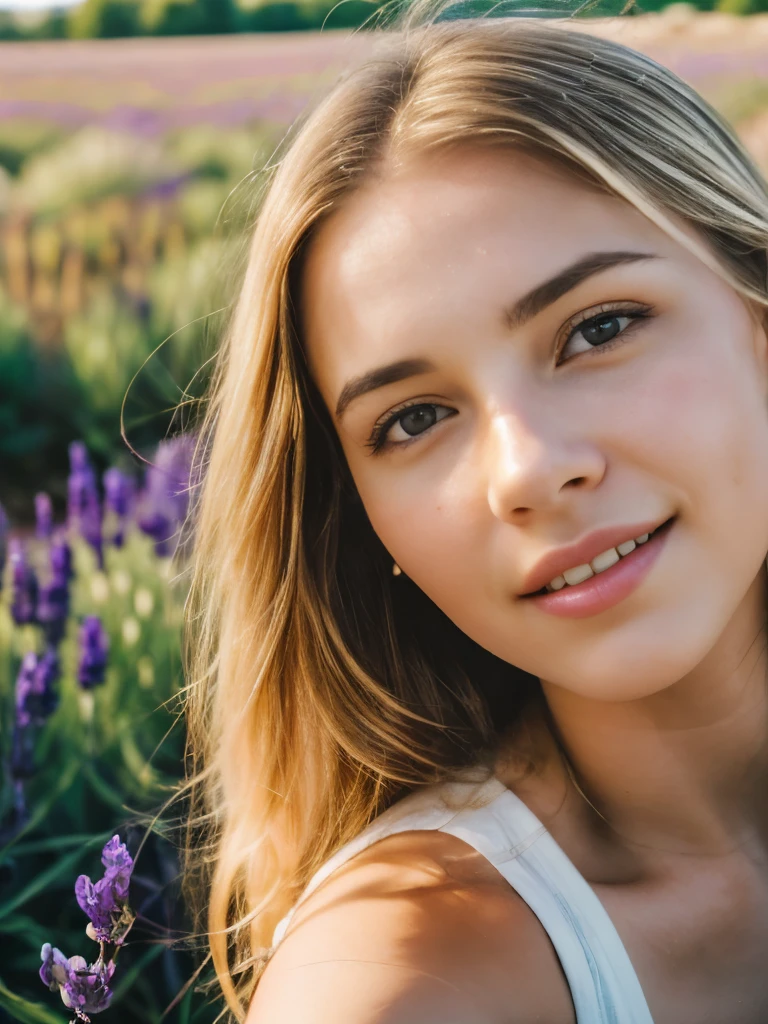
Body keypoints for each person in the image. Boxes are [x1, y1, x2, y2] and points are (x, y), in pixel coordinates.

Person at [181, 1, 768, 1020]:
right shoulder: (401, 979)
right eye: (413, 419)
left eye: (598, 328)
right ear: (359, 514)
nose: (528, 470)